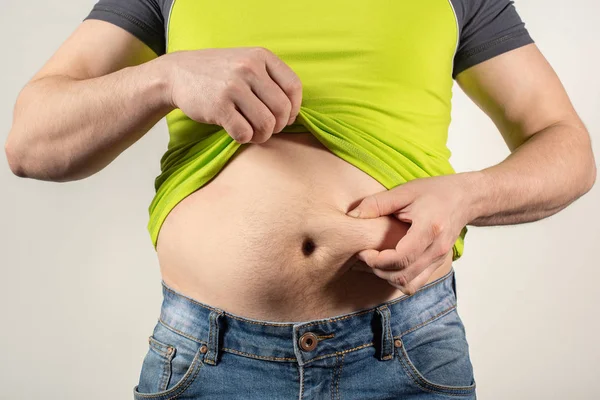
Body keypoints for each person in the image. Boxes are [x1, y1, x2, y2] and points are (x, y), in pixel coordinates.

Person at [5, 0, 596, 398]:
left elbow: (566, 147)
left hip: (403, 350)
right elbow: (31, 143)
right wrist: (165, 77)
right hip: (205, 357)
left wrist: (468, 196)